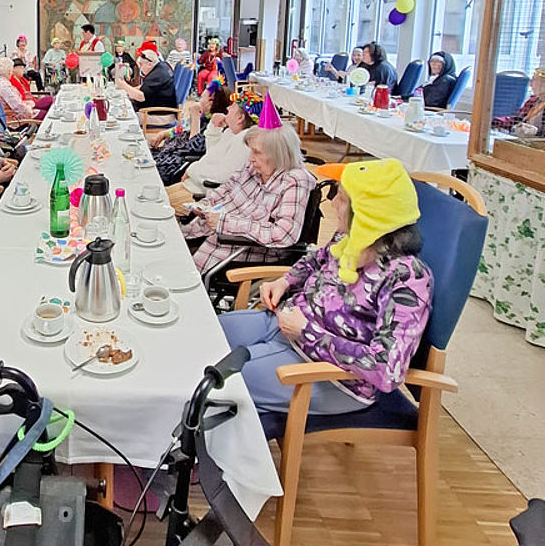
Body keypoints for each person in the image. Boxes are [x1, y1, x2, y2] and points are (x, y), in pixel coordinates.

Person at [222, 158, 432, 415]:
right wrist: (285, 280)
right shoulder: (349, 238)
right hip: (286, 326)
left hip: (331, 376)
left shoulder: (407, 278)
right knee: (206, 338)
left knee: (220, 382)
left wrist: (306, 331)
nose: (332, 204)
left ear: (367, 215)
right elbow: (317, 258)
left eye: (341, 198)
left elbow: (386, 369)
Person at [182, 118, 313, 284]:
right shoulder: (254, 167)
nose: (250, 158)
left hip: (251, 247)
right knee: (176, 245)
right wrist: (206, 204)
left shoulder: (295, 180)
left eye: (257, 152)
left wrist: (226, 223)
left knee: (187, 279)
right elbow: (227, 188)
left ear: (278, 153)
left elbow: (283, 234)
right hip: (220, 231)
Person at [151, 81, 234, 186]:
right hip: (167, 153)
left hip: (176, 165)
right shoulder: (204, 117)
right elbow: (183, 128)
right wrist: (163, 134)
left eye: (202, 98)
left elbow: (193, 148)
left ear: (210, 102)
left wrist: (195, 117)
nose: (199, 101)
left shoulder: (216, 125)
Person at [181, 99, 253, 196]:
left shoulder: (243, 141)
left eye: (232, 107)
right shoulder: (230, 133)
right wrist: (214, 129)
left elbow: (221, 176)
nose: (227, 108)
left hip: (201, 192)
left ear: (240, 118)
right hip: (194, 184)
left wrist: (192, 170)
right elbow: (211, 156)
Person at [115, 42, 177, 128]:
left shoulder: (157, 75)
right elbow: (145, 88)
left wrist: (124, 86)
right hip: (156, 110)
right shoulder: (160, 67)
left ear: (149, 64)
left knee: (124, 119)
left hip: (160, 115)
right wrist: (128, 91)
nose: (139, 67)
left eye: (141, 64)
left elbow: (141, 97)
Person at [0, 54, 46, 125]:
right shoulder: (4, 86)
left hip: (11, 113)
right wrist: (30, 108)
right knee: (47, 115)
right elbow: (18, 106)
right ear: (8, 71)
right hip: (14, 119)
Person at [494, 67, 545, 135]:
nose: (530, 84)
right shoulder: (533, 101)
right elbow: (515, 120)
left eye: (534, 80)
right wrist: (494, 121)